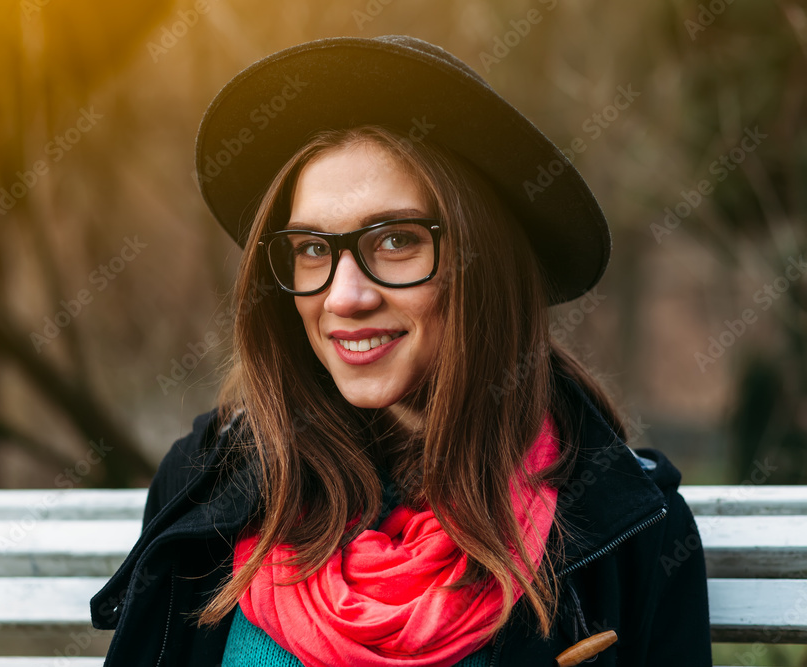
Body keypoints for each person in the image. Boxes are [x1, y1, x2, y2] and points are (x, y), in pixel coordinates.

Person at [91, 35, 712, 666]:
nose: (345, 296)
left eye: (396, 242)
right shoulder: (209, 484)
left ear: (482, 262)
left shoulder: (626, 526)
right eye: (312, 249)